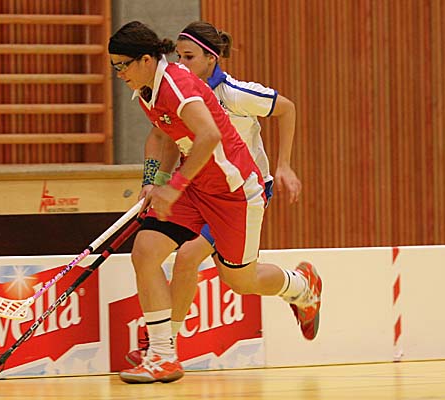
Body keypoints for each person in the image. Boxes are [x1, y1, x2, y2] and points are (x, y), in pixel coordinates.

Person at [109, 21, 322, 384]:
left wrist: (173, 187)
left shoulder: (180, 86)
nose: (118, 74)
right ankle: (161, 354)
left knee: (240, 279)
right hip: (195, 185)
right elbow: (165, 136)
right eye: (114, 67)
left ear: (145, 60)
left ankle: (301, 286)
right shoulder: (147, 89)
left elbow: (209, 136)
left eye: (122, 66)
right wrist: (155, 182)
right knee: (145, 252)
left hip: (234, 191)